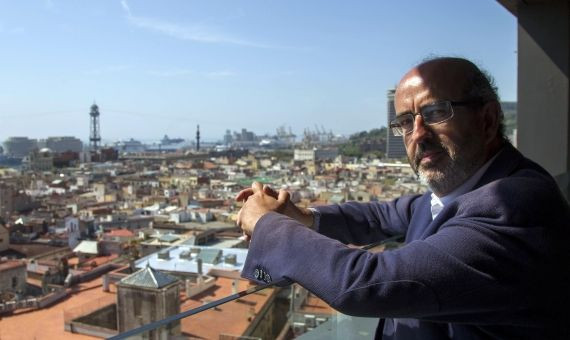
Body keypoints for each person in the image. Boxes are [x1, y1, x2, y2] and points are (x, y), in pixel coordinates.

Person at [235, 57, 570, 340]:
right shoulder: (465, 189)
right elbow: (381, 216)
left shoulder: (516, 205)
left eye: (437, 112)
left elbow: (365, 285)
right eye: (406, 123)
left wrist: (267, 223)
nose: (418, 135)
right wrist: (302, 216)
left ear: (487, 119)